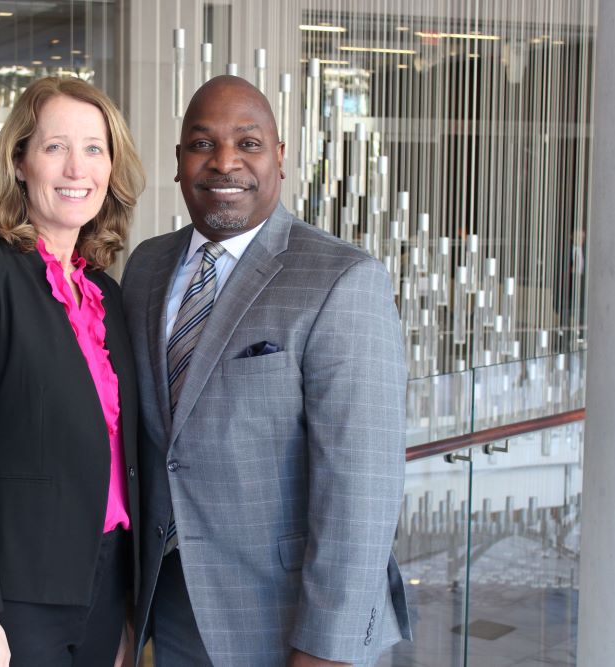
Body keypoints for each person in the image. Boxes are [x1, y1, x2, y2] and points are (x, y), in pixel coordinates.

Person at [121, 75, 411, 666]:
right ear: (179, 162)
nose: (224, 162)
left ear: (280, 157)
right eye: (203, 144)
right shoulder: (146, 268)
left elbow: (362, 484)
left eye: (248, 144)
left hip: (287, 616)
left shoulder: (341, 278)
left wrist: (327, 647)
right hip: (170, 601)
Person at [0, 76, 145, 666]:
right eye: (54, 147)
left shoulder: (105, 294)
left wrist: (125, 602)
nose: (77, 168)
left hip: (106, 581)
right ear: (19, 162)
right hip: (13, 597)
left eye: (94, 148)